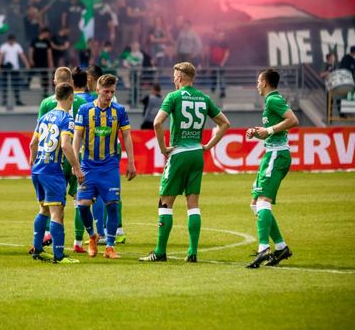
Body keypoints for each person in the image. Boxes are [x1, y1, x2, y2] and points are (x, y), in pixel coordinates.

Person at [139, 62, 231, 263]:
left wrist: (163, 148)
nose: (174, 79)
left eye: (174, 76)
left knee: (165, 202)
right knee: (193, 204)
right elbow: (225, 123)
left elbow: (157, 123)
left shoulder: (173, 97)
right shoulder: (204, 98)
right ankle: (192, 252)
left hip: (179, 152)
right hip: (197, 154)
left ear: (180, 78)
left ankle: (160, 252)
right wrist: (208, 146)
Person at [73, 74, 137, 259]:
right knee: (83, 206)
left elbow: (126, 136)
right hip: (88, 166)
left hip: (109, 167)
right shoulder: (85, 110)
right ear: (97, 90)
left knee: (112, 205)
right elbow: (77, 138)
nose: (109, 95)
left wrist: (131, 162)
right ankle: (93, 236)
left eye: (112, 92)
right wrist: (76, 165)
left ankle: (110, 246)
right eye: (106, 92)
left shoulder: (119, 111)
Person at [245, 68, 298, 268]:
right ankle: (281, 247)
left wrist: (268, 129)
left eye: (258, 81)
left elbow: (293, 120)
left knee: (263, 201)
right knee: (255, 203)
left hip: (277, 155)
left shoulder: (273, 100)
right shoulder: (271, 101)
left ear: (265, 82)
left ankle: (263, 249)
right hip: (272, 154)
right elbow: (274, 131)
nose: (257, 85)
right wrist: (259, 132)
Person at [29, 82, 85, 264]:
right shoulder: (67, 119)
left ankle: (38, 250)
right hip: (52, 170)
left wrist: (33, 161)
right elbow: (66, 145)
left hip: (38, 169)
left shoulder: (44, 117)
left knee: (44, 209)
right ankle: (59, 256)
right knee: (57, 212)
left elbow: (32, 143)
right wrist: (77, 167)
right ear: (71, 97)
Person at [0, 34, 30, 108]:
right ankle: (4, 101)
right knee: (5, 85)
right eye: (10, 40)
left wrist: (27, 64)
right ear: (8, 40)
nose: (11, 41)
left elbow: (22, 55)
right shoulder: (4, 46)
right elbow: (0, 56)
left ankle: (18, 100)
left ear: (14, 40)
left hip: (15, 69)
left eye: (12, 40)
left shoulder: (17, 46)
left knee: (16, 85)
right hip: (6, 68)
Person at [29, 27, 53, 97]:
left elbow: (49, 53)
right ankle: (28, 86)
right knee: (31, 74)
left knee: (45, 78)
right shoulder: (35, 40)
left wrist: (50, 64)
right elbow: (31, 50)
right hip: (35, 62)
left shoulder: (47, 42)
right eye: (47, 34)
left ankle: (45, 92)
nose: (47, 35)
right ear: (43, 33)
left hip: (44, 63)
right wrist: (31, 59)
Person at [208, 31, 230, 98]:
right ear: (217, 35)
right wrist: (210, 62)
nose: (220, 37)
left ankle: (222, 92)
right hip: (213, 63)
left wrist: (223, 62)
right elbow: (210, 52)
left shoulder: (225, 43)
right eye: (219, 35)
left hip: (221, 63)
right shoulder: (213, 42)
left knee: (221, 77)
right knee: (213, 76)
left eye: (222, 36)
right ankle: (213, 87)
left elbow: (227, 53)